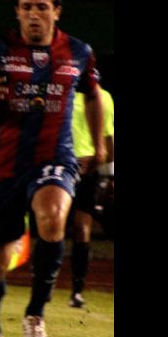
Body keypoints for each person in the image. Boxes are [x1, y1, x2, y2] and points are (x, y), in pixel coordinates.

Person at [0, 0, 106, 337]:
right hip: (0, 167)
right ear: (18, 11)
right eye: (26, 7)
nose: (34, 14)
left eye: (42, 6)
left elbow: (92, 96)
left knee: (53, 217)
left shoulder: (78, 52)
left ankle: (36, 314)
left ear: (56, 10)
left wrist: (100, 142)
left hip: (53, 158)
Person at [68, 86, 114, 308]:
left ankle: (77, 290)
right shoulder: (60, 90)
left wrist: (110, 174)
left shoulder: (103, 97)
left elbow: (109, 136)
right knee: (51, 224)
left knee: (81, 225)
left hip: (89, 169)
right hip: (60, 166)